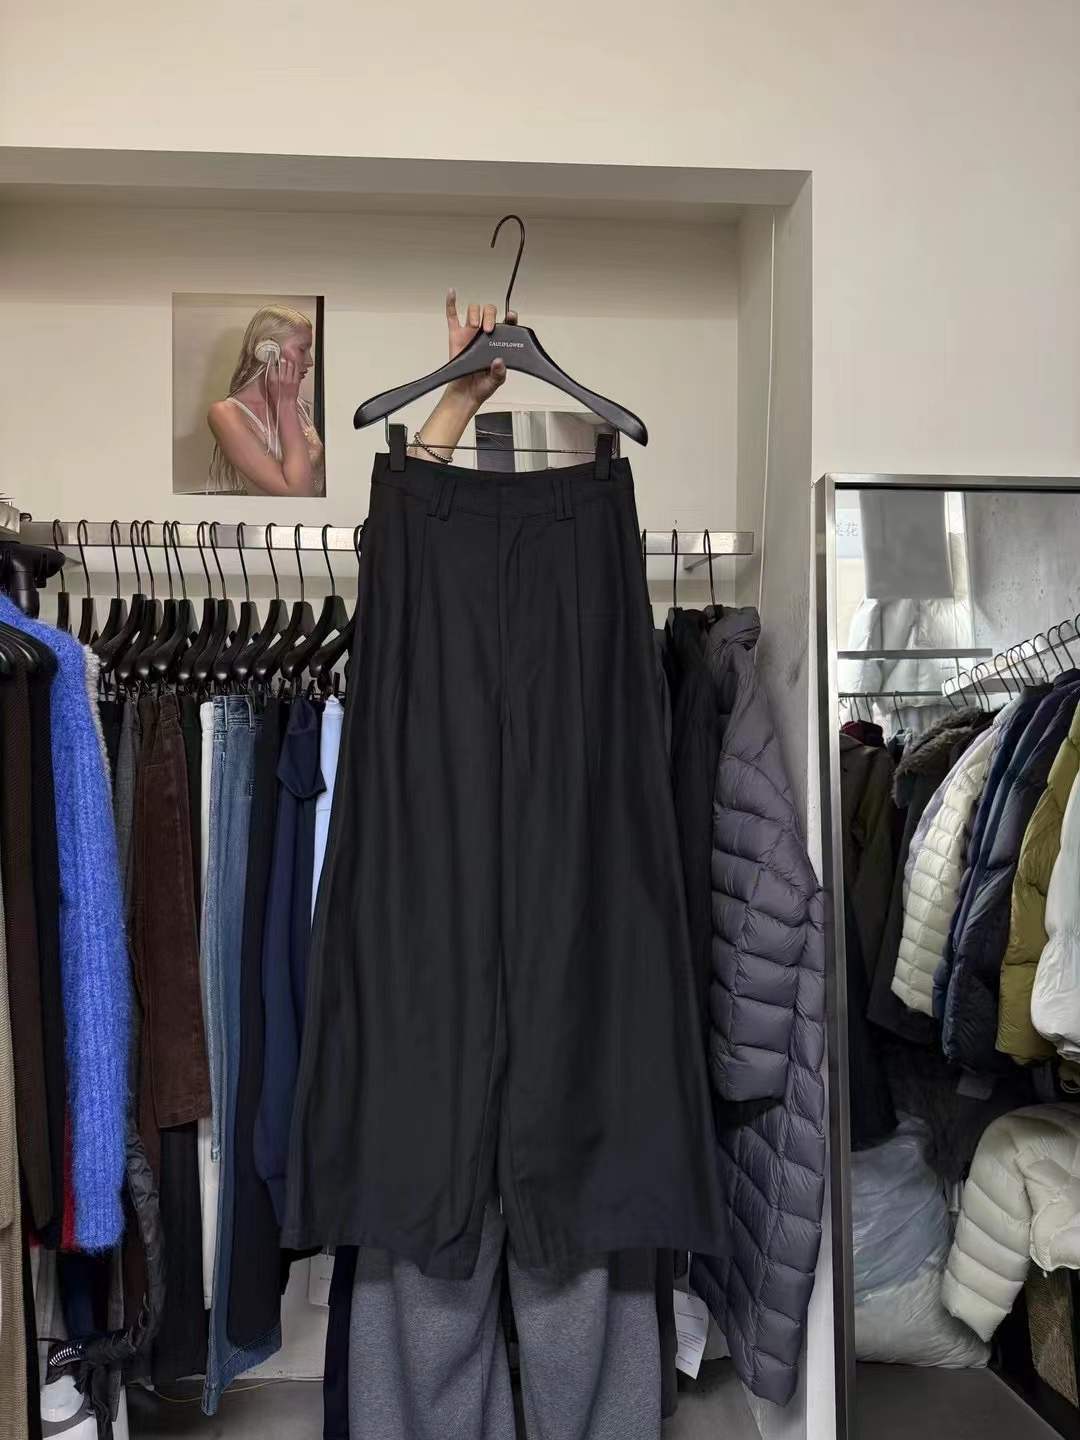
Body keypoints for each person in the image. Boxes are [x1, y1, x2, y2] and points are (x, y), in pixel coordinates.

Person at [208, 294, 509, 497]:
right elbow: (298, 494)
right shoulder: (226, 414)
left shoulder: (302, 408)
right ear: (267, 350)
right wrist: (284, 403)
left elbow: (406, 484)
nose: (310, 361)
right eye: (302, 349)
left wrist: (461, 395)